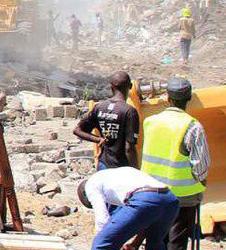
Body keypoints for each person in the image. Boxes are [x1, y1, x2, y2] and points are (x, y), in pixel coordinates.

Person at [140, 77, 210, 250]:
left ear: (168, 98)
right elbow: (201, 166)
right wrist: (201, 181)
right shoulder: (192, 126)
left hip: (152, 192)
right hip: (182, 196)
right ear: (189, 99)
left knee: (155, 238)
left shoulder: (150, 122)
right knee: (177, 241)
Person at [78, 167, 179, 250]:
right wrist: (135, 244)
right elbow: (145, 220)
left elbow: (102, 220)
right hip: (170, 200)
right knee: (155, 244)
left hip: (145, 198)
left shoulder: (91, 185)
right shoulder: (116, 177)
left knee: (101, 244)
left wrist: (103, 237)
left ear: (85, 194)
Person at [74, 71, 139, 169]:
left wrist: (98, 139)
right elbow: (129, 147)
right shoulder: (129, 111)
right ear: (130, 86)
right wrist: (135, 171)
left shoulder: (99, 107)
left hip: (103, 165)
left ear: (111, 87)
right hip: (120, 168)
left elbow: (77, 130)